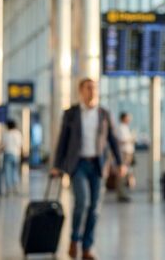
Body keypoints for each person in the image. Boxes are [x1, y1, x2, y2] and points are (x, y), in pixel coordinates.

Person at [50, 78, 126, 260]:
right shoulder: (71, 114)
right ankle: (74, 239)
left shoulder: (103, 114)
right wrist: (56, 165)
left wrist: (120, 162)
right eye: (88, 88)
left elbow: (113, 140)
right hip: (78, 165)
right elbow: (63, 140)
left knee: (95, 208)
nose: (92, 91)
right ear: (80, 91)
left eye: (95, 88)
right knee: (82, 202)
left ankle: (87, 247)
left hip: (97, 165)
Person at [115, 112, 135, 202]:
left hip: (128, 154)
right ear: (123, 118)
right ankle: (121, 194)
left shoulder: (126, 128)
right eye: (128, 117)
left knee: (126, 174)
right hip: (123, 153)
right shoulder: (120, 128)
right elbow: (120, 141)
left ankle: (123, 193)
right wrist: (131, 139)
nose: (130, 119)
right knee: (122, 174)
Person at [2, 119, 22, 194]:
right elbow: (19, 145)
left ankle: (8, 188)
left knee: (8, 171)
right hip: (16, 154)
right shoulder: (18, 134)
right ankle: (16, 186)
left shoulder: (6, 134)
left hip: (7, 153)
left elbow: (4, 145)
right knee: (15, 171)